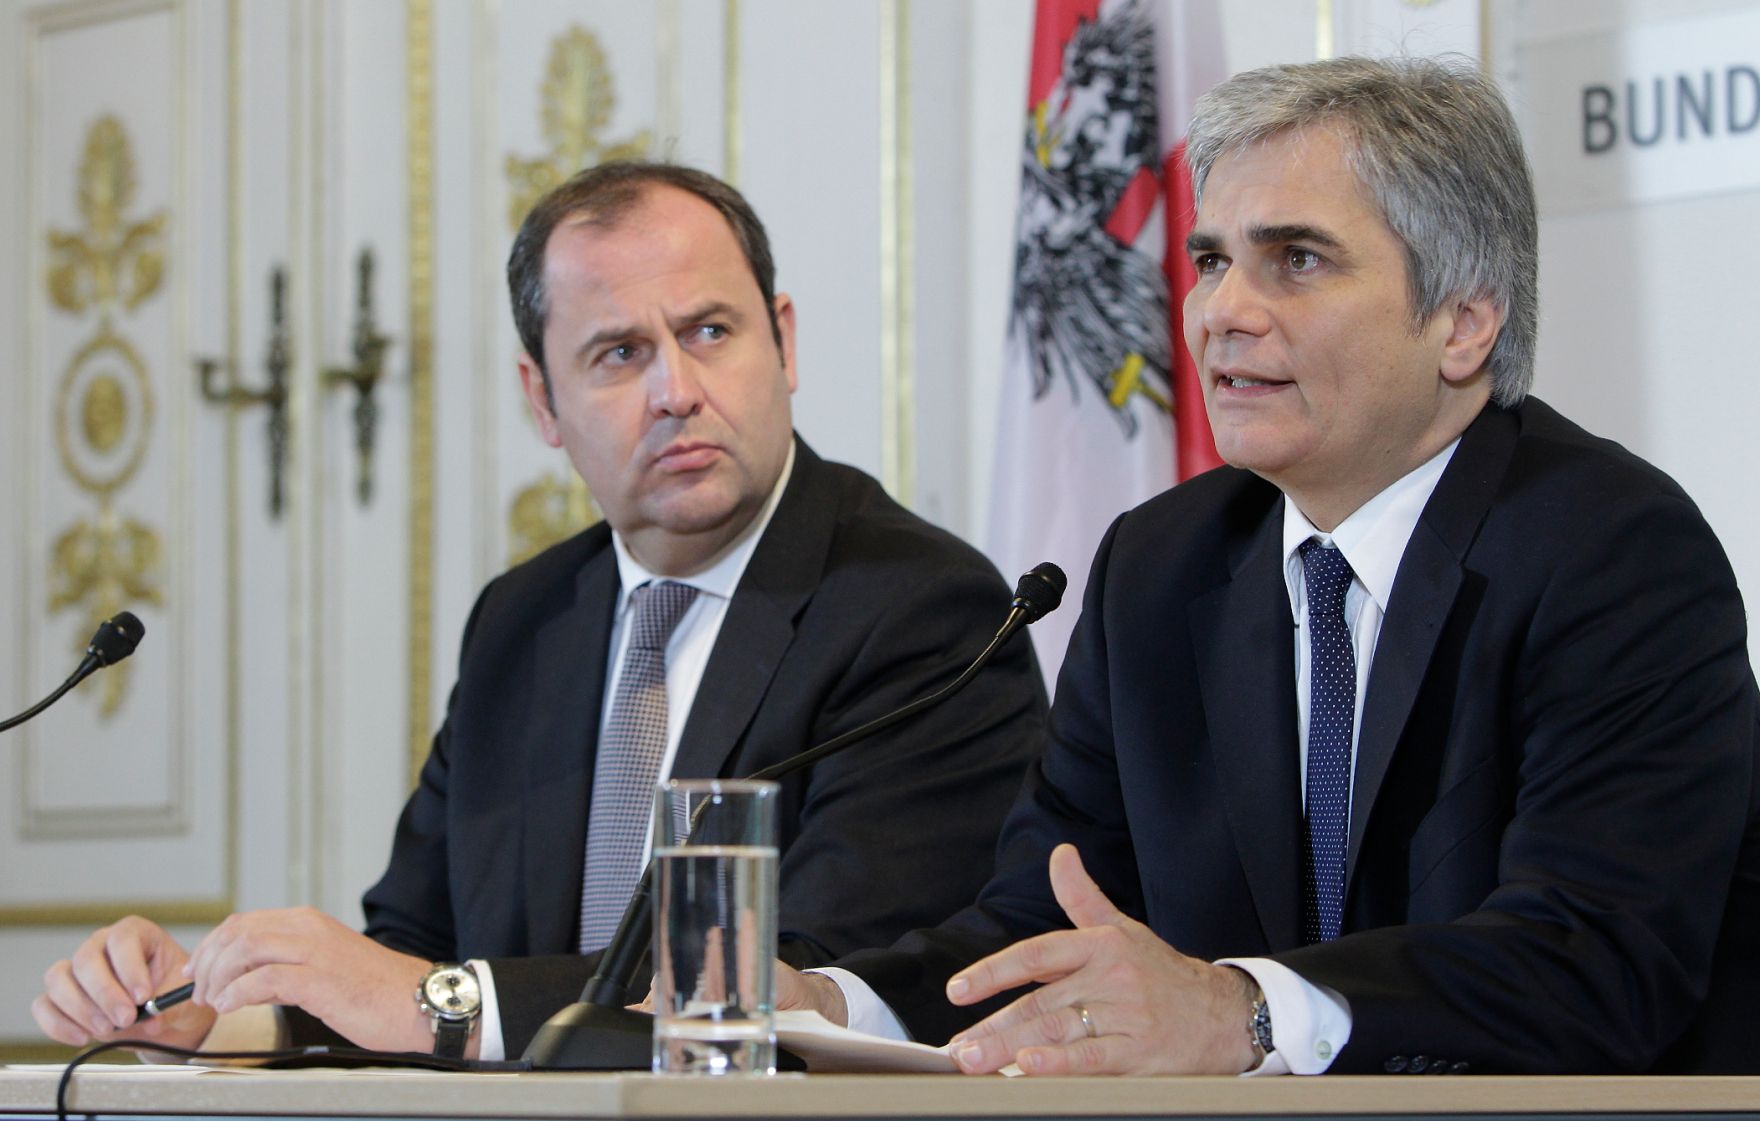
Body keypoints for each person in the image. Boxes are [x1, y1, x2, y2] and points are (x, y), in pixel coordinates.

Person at [781, 55, 1760, 1076]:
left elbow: (1591, 954)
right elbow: (1046, 918)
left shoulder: (1611, 550)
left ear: (1463, 321)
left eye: (1293, 260)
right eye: (1209, 260)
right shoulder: (1158, 567)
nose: (1218, 313)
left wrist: (1242, 1010)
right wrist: (830, 1001)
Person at [33, 162, 1048, 1061]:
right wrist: (219, 1013)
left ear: (781, 343)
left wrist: (443, 999)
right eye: (616, 353)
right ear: (541, 401)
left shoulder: (923, 611)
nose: (675, 390)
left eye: (708, 331)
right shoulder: (523, 620)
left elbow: (803, 983)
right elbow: (409, 946)